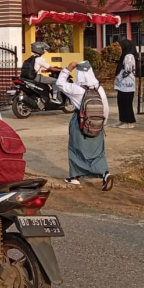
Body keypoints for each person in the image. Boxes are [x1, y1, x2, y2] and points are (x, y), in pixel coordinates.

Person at [56, 61, 114, 191]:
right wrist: (102, 125)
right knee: (98, 152)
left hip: (80, 121)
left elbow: (59, 83)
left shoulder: (76, 89)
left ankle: (75, 177)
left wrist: (68, 68)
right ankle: (105, 174)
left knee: (75, 149)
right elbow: (105, 108)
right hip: (97, 123)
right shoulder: (99, 88)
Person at [113, 39, 138, 129]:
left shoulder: (129, 56)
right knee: (121, 102)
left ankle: (129, 122)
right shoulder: (125, 55)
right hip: (122, 85)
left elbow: (128, 70)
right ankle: (122, 120)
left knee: (127, 103)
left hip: (127, 84)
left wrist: (119, 77)